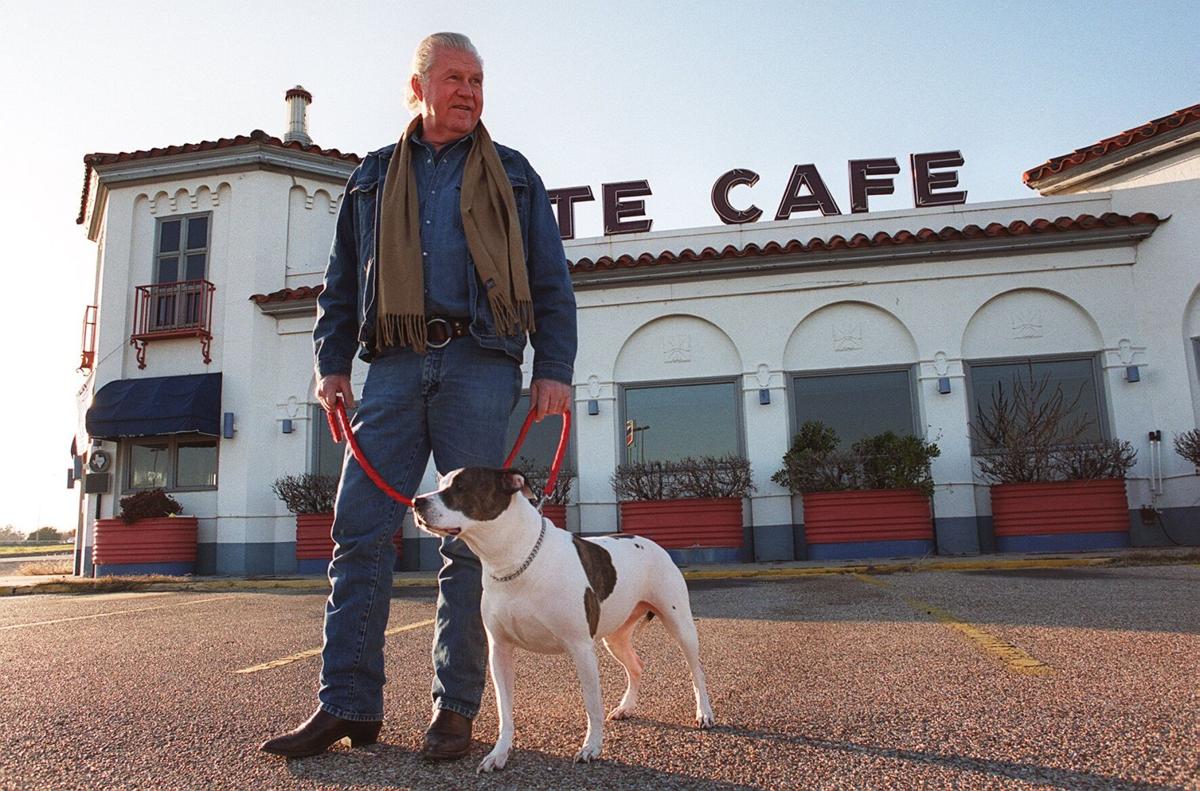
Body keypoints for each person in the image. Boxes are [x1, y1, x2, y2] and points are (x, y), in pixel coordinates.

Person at [260, 32, 577, 760]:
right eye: (455, 78)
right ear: (418, 86)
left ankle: (455, 708)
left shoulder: (515, 176)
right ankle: (347, 703)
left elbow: (551, 282)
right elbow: (340, 283)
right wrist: (330, 364)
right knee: (360, 529)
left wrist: (553, 365)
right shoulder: (373, 176)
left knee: (469, 541)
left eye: (478, 79)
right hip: (394, 367)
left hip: (481, 362)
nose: (469, 91)